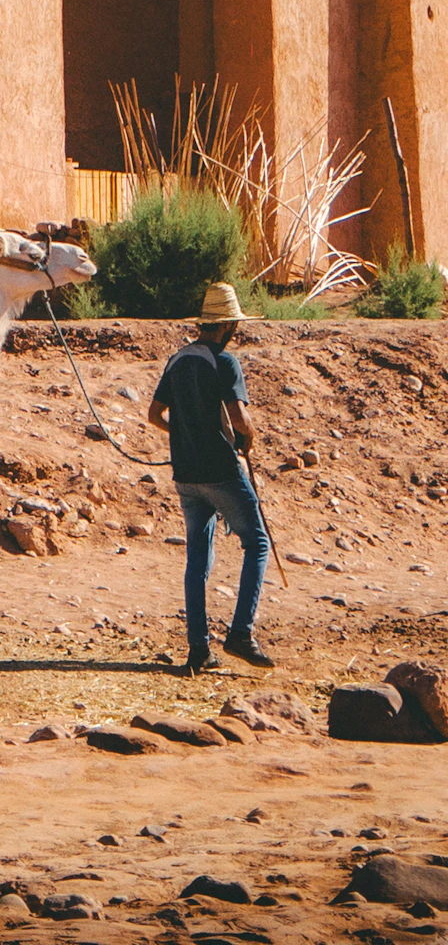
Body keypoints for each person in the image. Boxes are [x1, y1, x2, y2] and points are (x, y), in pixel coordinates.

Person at [147, 282, 272, 674]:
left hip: (185, 476)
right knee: (258, 543)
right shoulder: (225, 361)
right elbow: (240, 420)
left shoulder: (177, 360)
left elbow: (154, 414)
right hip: (220, 471)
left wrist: (183, 434)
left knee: (196, 561)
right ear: (227, 326)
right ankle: (240, 633)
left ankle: (199, 649)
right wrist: (249, 440)